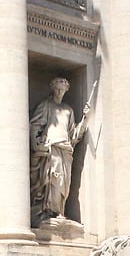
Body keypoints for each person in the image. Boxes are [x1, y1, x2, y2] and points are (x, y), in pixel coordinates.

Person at [29, 77, 89, 224]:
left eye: (62, 89)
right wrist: (36, 142)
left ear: (66, 91)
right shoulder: (46, 105)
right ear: (53, 89)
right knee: (52, 179)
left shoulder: (68, 110)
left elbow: (73, 134)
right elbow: (35, 125)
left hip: (66, 149)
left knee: (63, 182)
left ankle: (60, 211)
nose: (59, 91)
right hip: (52, 147)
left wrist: (85, 118)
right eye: (57, 88)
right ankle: (49, 211)